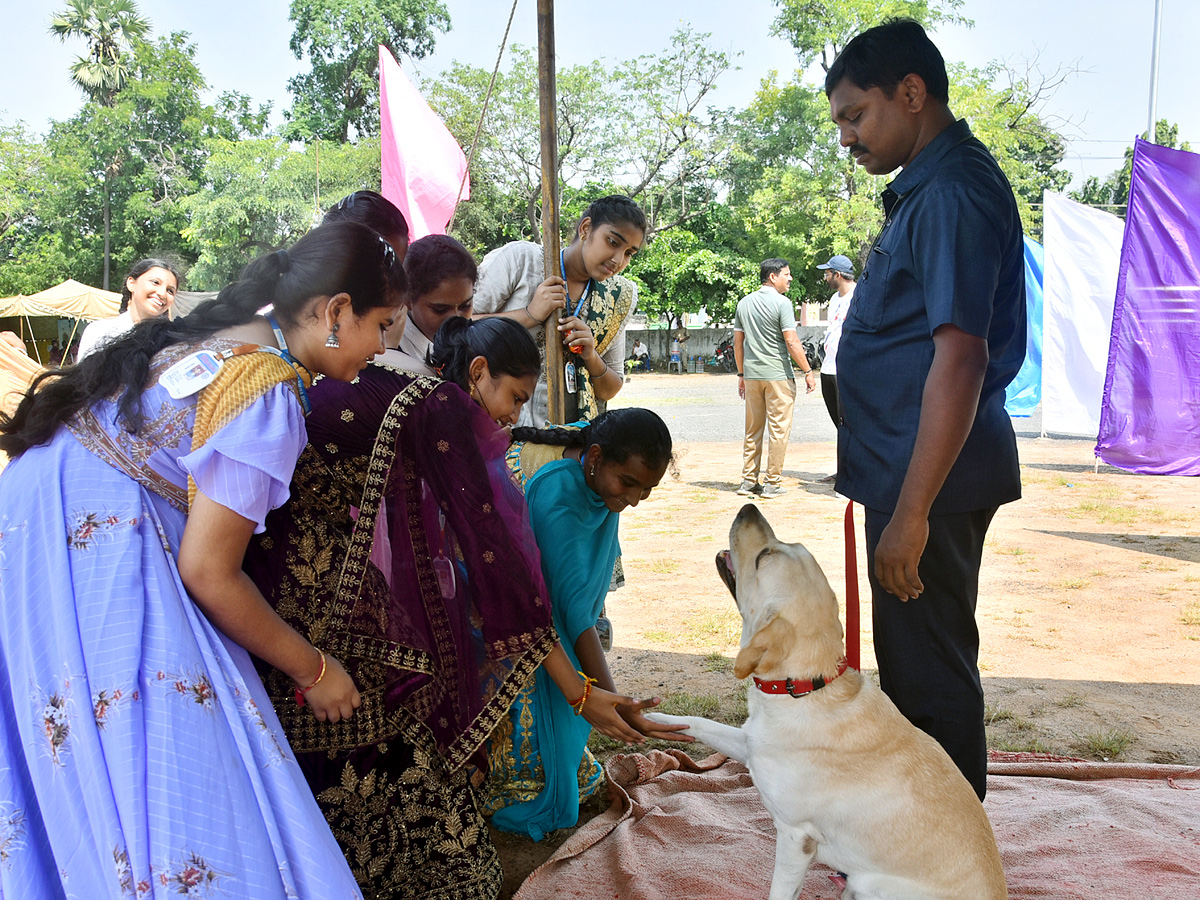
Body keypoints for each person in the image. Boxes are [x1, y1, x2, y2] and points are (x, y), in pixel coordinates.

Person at [0, 221, 406, 898]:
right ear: (336, 312)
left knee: (69, 758)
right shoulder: (267, 387)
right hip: (100, 546)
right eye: (383, 324)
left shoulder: (215, 339)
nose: (386, 345)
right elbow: (210, 573)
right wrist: (316, 669)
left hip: (34, 525)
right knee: (166, 767)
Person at [244, 310, 651, 899]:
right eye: (513, 396)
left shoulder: (365, 384)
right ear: (478, 372)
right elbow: (507, 579)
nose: (514, 414)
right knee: (452, 863)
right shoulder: (438, 411)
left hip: (291, 614)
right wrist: (580, 692)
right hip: (325, 634)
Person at [826, 19, 1026, 800]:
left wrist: (912, 514)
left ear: (911, 94)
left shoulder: (950, 191)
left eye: (855, 114)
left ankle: (939, 868)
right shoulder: (928, 187)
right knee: (915, 669)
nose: (847, 137)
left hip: (927, 484)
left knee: (929, 675)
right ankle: (921, 850)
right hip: (911, 475)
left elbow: (962, 356)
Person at [485, 408, 689, 841]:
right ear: (594, 458)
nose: (633, 499)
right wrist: (614, 701)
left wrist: (607, 700)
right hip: (501, 623)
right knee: (538, 721)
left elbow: (576, 612)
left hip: (547, 622)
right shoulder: (560, 500)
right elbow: (571, 617)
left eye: (647, 489)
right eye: (628, 484)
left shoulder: (595, 470)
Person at [474, 195, 647, 425]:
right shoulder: (522, 261)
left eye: (629, 253)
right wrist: (529, 315)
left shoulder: (616, 297)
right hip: (501, 430)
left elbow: (610, 390)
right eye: (613, 242)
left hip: (569, 443)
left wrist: (591, 356)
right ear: (586, 228)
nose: (618, 260)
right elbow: (456, 325)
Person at [733, 258, 816, 499]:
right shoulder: (782, 304)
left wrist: (741, 374)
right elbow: (791, 341)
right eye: (786, 274)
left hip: (752, 376)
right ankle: (772, 483)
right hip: (778, 375)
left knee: (753, 429)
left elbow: (739, 343)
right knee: (778, 431)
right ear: (773, 276)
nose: (789, 279)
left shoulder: (744, 303)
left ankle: (748, 481)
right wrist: (808, 371)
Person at [386, 234, 478, 375]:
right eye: (440, 309)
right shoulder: (388, 350)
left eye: (465, 306)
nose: (456, 319)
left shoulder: (476, 344)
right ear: (407, 300)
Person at [76, 257, 181, 359]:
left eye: (170, 291)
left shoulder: (172, 343)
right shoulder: (100, 331)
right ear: (131, 284)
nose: (162, 293)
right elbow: (84, 376)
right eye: (155, 282)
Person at [816, 254, 857, 481]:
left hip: (847, 370)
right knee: (839, 424)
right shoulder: (834, 299)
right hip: (828, 368)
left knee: (850, 423)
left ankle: (853, 474)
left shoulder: (859, 296)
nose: (825, 277)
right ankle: (843, 470)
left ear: (838, 275)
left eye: (827, 273)